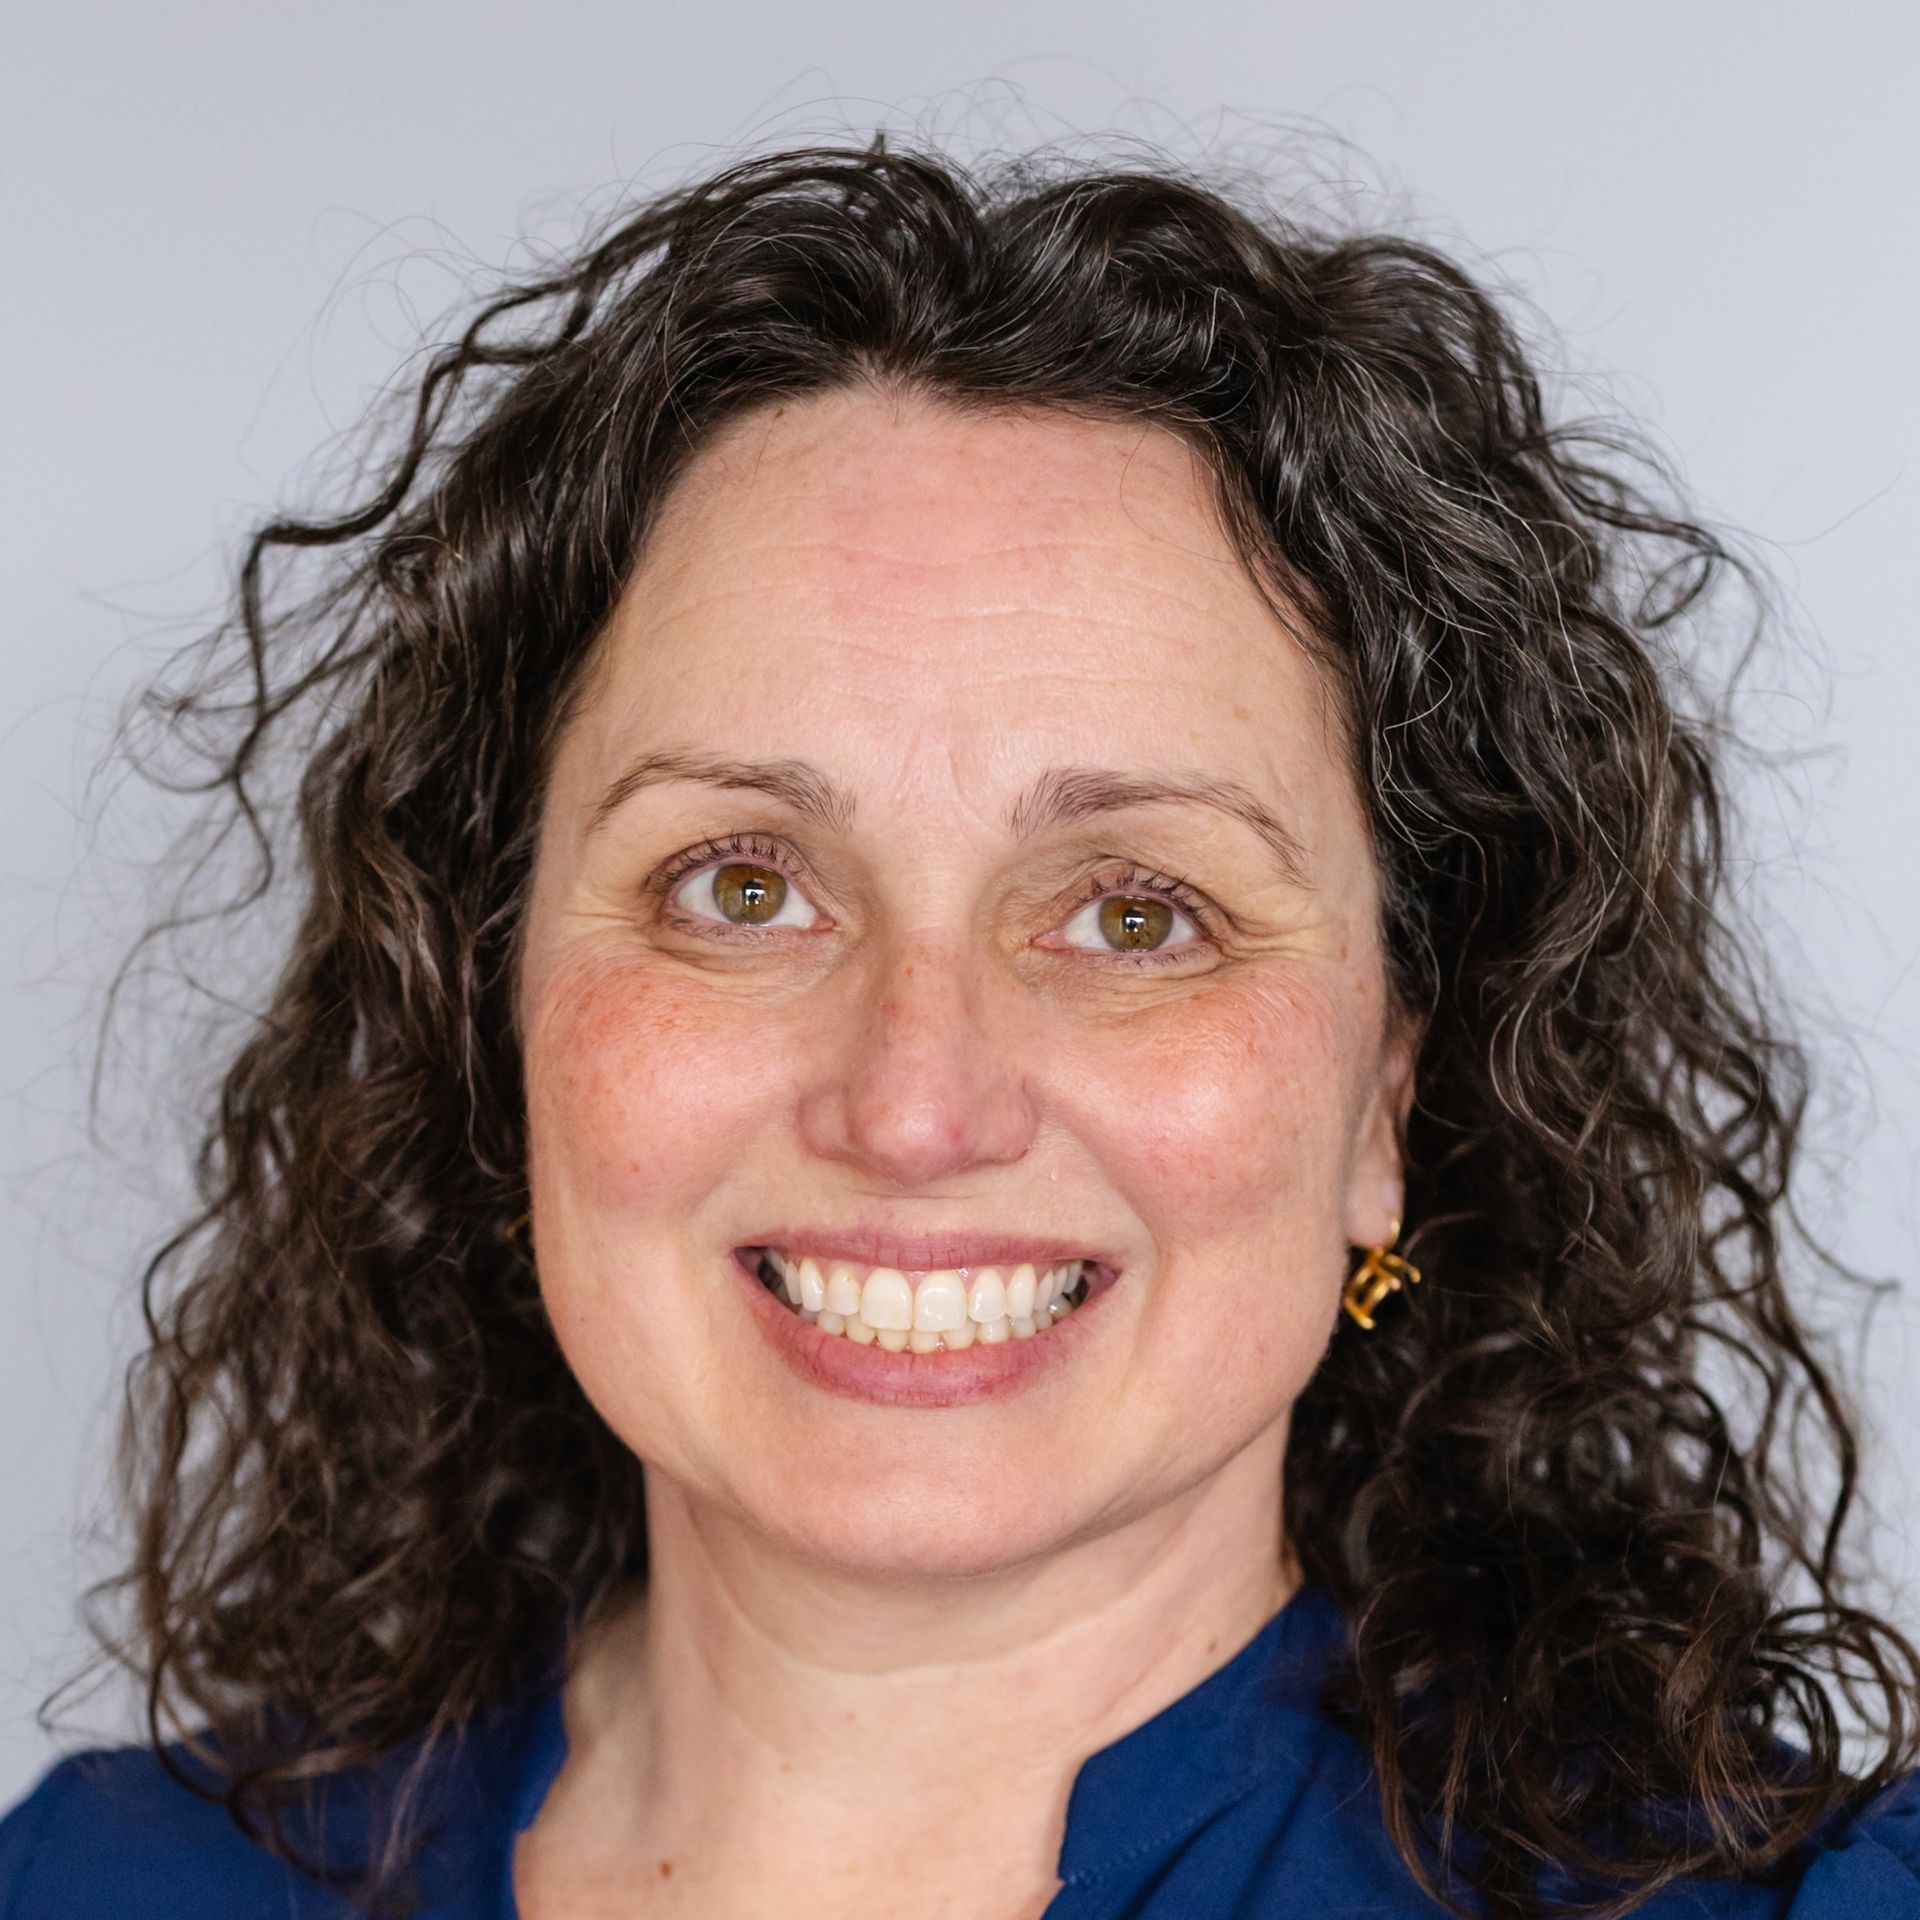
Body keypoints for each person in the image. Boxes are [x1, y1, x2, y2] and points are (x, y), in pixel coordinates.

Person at [2, 134, 1916, 1920]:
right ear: (491, 1015)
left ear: (1386, 1098)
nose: (916, 1101)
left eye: (1134, 913)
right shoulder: (104, 1882)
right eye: (741, 885)